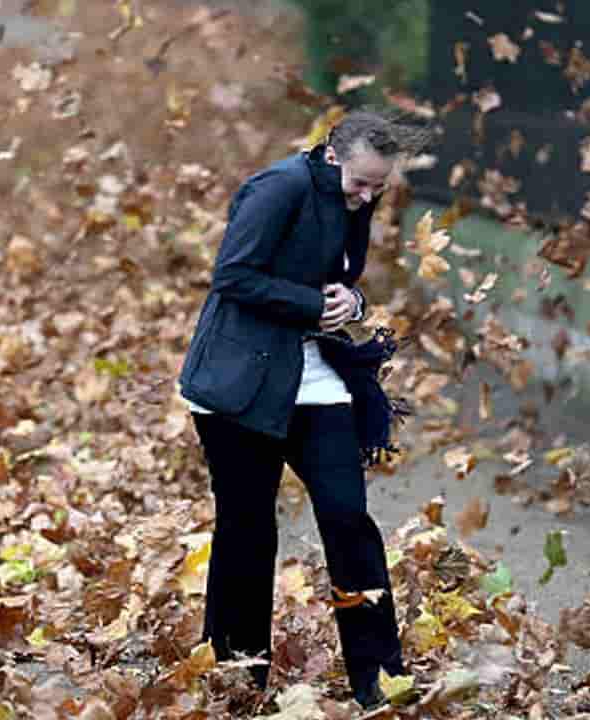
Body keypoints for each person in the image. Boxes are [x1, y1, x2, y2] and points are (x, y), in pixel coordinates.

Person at [178, 110, 425, 711]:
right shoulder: (280, 187)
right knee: (247, 529)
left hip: (317, 382)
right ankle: (237, 675)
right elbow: (232, 276)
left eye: (379, 187)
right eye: (362, 183)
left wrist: (352, 299)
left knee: (348, 521)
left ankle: (376, 678)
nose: (367, 197)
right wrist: (312, 305)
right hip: (241, 384)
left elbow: (340, 279)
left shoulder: (355, 198)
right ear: (334, 156)